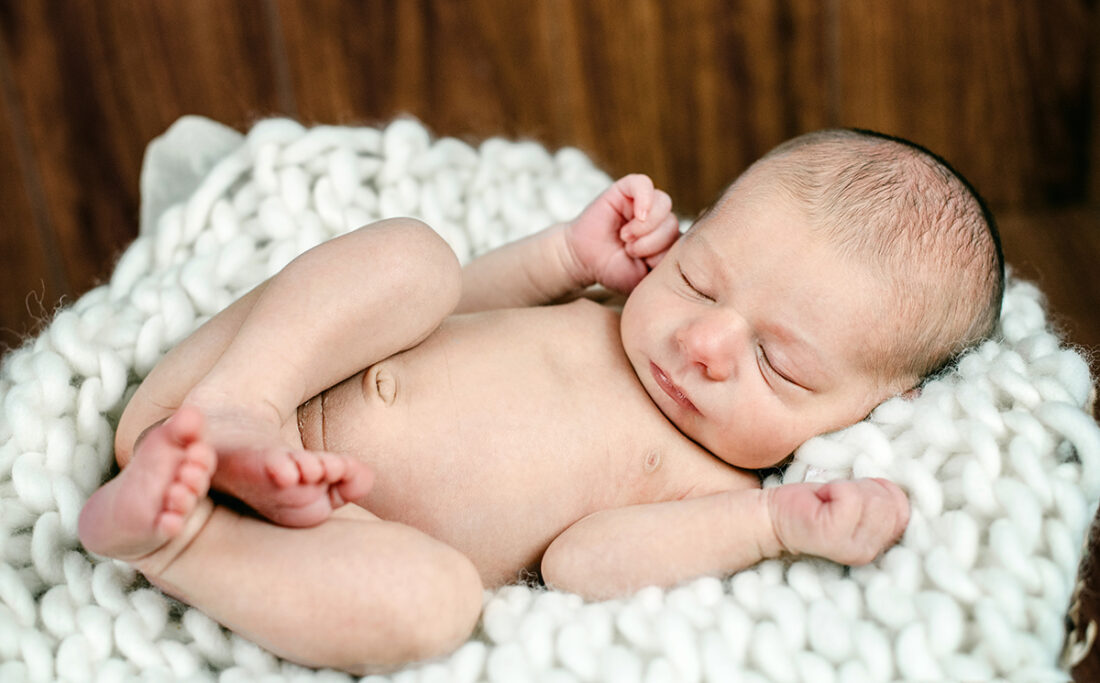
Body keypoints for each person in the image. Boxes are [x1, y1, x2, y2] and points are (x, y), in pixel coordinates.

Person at [78, 128, 1004, 674]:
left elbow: (581, 563)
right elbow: (444, 313)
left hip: (319, 534)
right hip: (227, 393)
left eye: (779, 364)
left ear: (875, 408)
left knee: (437, 605)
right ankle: (246, 403)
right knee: (416, 260)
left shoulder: (708, 482)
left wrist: (769, 523)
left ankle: (177, 537)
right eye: (697, 277)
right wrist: (561, 261)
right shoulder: (602, 311)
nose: (702, 343)